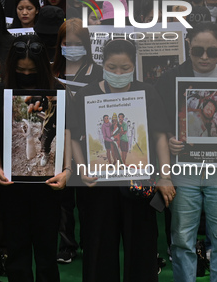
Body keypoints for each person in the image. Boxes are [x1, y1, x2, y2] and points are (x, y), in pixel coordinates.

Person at [69, 39, 174, 282]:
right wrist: (82, 167)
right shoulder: (87, 94)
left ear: (134, 66)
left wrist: (165, 174)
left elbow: (159, 136)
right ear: (102, 65)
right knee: (98, 249)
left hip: (138, 183)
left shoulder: (146, 92)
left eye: (125, 68)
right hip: (98, 186)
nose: (118, 73)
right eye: (112, 67)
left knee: (142, 249)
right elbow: (74, 136)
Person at [155, 23, 217, 281]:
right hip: (184, 168)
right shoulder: (170, 78)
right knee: (183, 239)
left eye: (212, 51)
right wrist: (171, 139)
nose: (205, 57)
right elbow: (159, 126)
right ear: (188, 46)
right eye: (198, 51)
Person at [0, 35, 70, 282]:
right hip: (11, 186)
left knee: (46, 251)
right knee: (16, 250)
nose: (26, 75)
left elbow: (66, 132)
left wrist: (67, 169)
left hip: (48, 187)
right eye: (20, 70)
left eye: (32, 70)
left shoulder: (57, 90)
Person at [51, 18, 103, 95]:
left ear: (86, 44)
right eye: (67, 44)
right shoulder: (50, 71)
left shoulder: (98, 73)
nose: (73, 48)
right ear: (60, 44)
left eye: (78, 44)